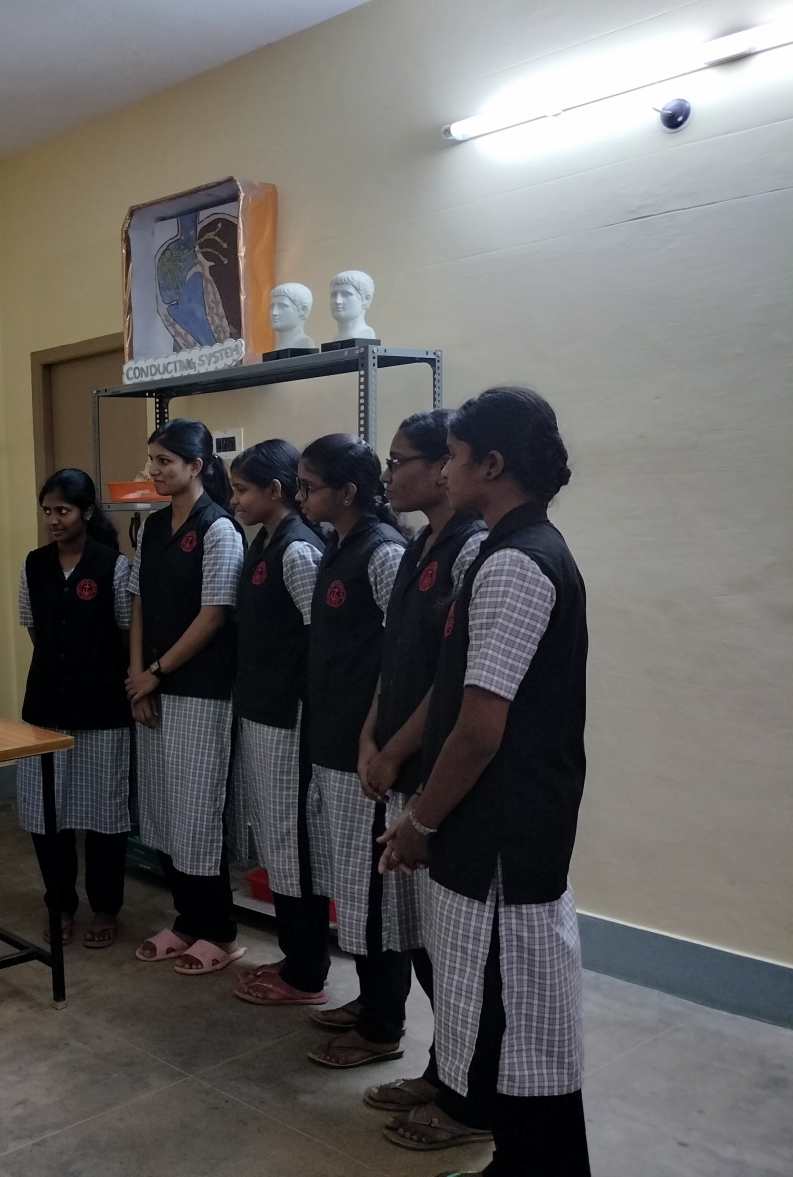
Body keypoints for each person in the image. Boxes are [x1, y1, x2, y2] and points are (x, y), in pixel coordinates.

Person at [380, 387, 592, 1176]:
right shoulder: (514, 550)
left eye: (458, 457)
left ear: (493, 465)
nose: (445, 471)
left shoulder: (515, 564)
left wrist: (419, 823)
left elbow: (477, 729)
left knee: (516, 1019)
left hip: (504, 828)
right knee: (505, 1012)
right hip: (504, 821)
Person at [244, 435, 413, 1068]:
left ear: (347, 492)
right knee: (351, 884)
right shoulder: (339, 545)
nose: (301, 494)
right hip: (331, 741)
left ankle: (382, 1026)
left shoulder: (383, 552)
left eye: (310, 485)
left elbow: (403, 655)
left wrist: (376, 738)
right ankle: (370, 1004)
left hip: (361, 750)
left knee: (373, 893)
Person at [353, 411, 491, 1153]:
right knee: (426, 941)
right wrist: (370, 735)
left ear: (445, 467)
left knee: (457, 953)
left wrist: (396, 751)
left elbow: (454, 678)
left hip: (434, 769)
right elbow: (396, 656)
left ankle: (475, 1096)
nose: (388, 475)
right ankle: (444, 1069)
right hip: (397, 759)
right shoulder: (415, 546)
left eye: (400, 460)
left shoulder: (473, 550)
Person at [127, 419, 246, 975]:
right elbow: (139, 603)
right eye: (151, 459)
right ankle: (186, 920)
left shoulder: (219, 528)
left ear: (196, 466)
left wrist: (156, 672)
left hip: (201, 691)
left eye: (164, 461)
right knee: (161, 807)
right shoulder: (151, 527)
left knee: (197, 808)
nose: (153, 470)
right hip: (152, 687)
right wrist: (137, 678)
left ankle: (219, 930)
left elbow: (214, 614)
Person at [221, 440, 333, 1009]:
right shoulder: (263, 542)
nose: (235, 500)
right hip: (262, 712)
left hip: (290, 717)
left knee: (293, 841)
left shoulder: (297, 550)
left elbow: (322, 639)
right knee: (276, 840)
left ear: (275, 490)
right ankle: (294, 958)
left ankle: (308, 972)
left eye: (243, 490)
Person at [18, 469, 133, 948]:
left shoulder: (115, 566)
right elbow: (33, 626)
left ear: (86, 512)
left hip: (102, 709)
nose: (53, 520)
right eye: (47, 511)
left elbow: (126, 632)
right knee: (47, 815)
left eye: (62, 511)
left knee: (106, 817)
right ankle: (60, 903)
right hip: (46, 706)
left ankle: (105, 908)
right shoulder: (34, 564)